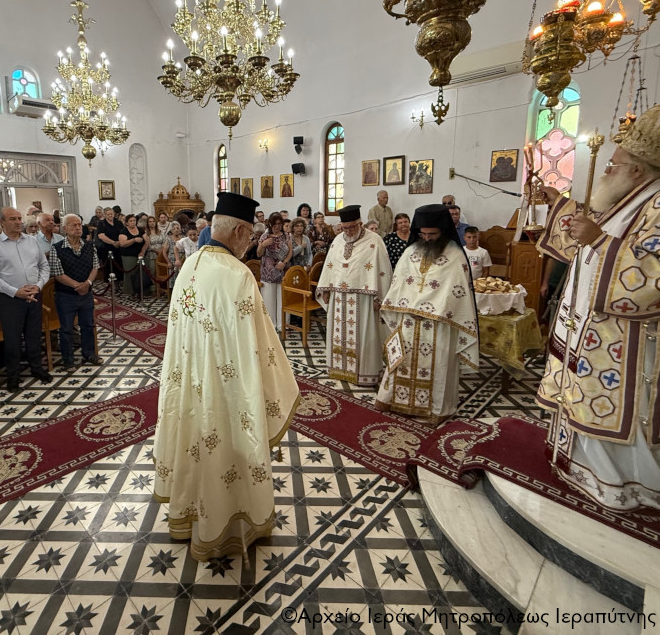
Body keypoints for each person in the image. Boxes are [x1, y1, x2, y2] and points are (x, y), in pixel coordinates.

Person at [534, 104, 660, 512]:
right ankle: (584, 467)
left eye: (612, 164)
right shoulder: (629, 201)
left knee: (626, 408)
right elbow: (586, 237)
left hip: (635, 341)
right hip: (597, 331)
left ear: (636, 170)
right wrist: (560, 206)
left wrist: (599, 241)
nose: (606, 170)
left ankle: (628, 483)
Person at [153, 191, 299, 562]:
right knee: (226, 452)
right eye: (249, 236)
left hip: (190, 381)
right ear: (238, 232)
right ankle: (229, 523)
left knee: (194, 444)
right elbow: (260, 344)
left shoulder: (190, 264)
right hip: (224, 388)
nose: (249, 243)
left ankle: (189, 515)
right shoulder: (237, 275)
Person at [377, 205, 479, 420]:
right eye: (423, 234)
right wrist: (403, 307)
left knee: (438, 366)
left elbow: (456, 292)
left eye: (432, 234)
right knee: (401, 360)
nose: (427, 238)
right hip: (408, 320)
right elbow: (399, 283)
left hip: (439, 323)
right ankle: (392, 400)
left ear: (443, 230)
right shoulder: (410, 251)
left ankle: (436, 409)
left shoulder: (455, 255)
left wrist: (429, 309)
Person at [315, 205, 392, 386]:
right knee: (338, 336)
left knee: (364, 337)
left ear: (360, 224)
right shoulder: (338, 240)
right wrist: (326, 289)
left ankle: (364, 374)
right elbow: (329, 265)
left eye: (352, 227)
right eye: (345, 228)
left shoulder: (375, 241)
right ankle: (339, 370)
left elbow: (383, 271)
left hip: (364, 299)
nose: (348, 231)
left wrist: (379, 297)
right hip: (338, 298)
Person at [0, 207, 53, 392]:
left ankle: (37, 369)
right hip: (10, 299)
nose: (18, 222)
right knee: (12, 339)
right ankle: (13, 375)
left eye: (19, 218)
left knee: (34, 335)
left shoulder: (31, 241)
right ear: (2, 223)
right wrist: (15, 292)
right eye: (13, 219)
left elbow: (44, 266)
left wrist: (38, 286)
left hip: (34, 295)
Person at [48, 214, 103, 369]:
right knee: (66, 329)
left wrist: (88, 283)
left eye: (79, 224)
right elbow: (58, 274)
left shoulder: (89, 245)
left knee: (88, 325)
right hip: (66, 295)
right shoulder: (57, 248)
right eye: (73, 225)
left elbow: (95, 267)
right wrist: (77, 286)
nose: (78, 228)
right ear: (65, 229)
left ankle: (89, 353)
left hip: (86, 293)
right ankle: (68, 360)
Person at [257, 212, 292, 331]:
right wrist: (263, 245)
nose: (277, 227)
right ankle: (270, 326)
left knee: (282, 298)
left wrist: (285, 262)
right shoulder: (264, 236)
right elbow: (258, 253)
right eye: (275, 224)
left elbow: (290, 252)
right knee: (269, 300)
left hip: (282, 270)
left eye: (279, 224)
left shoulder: (286, 235)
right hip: (268, 272)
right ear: (270, 224)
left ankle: (282, 325)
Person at [118, 214, 149, 296]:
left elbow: (147, 241)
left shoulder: (140, 230)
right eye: (130, 221)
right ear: (127, 223)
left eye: (134, 220)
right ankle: (130, 291)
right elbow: (122, 244)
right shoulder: (123, 231)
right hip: (128, 255)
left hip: (140, 255)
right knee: (130, 272)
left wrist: (142, 252)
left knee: (142, 272)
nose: (133, 222)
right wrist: (134, 240)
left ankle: (141, 290)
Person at [95, 207, 125, 283]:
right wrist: (113, 242)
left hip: (118, 247)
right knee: (109, 266)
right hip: (107, 248)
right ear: (105, 215)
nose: (110, 216)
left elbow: (123, 233)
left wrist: (119, 242)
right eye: (108, 214)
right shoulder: (102, 224)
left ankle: (119, 281)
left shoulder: (118, 222)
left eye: (111, 214)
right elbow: (101, 236)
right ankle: (109, 283)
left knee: (119, 264)